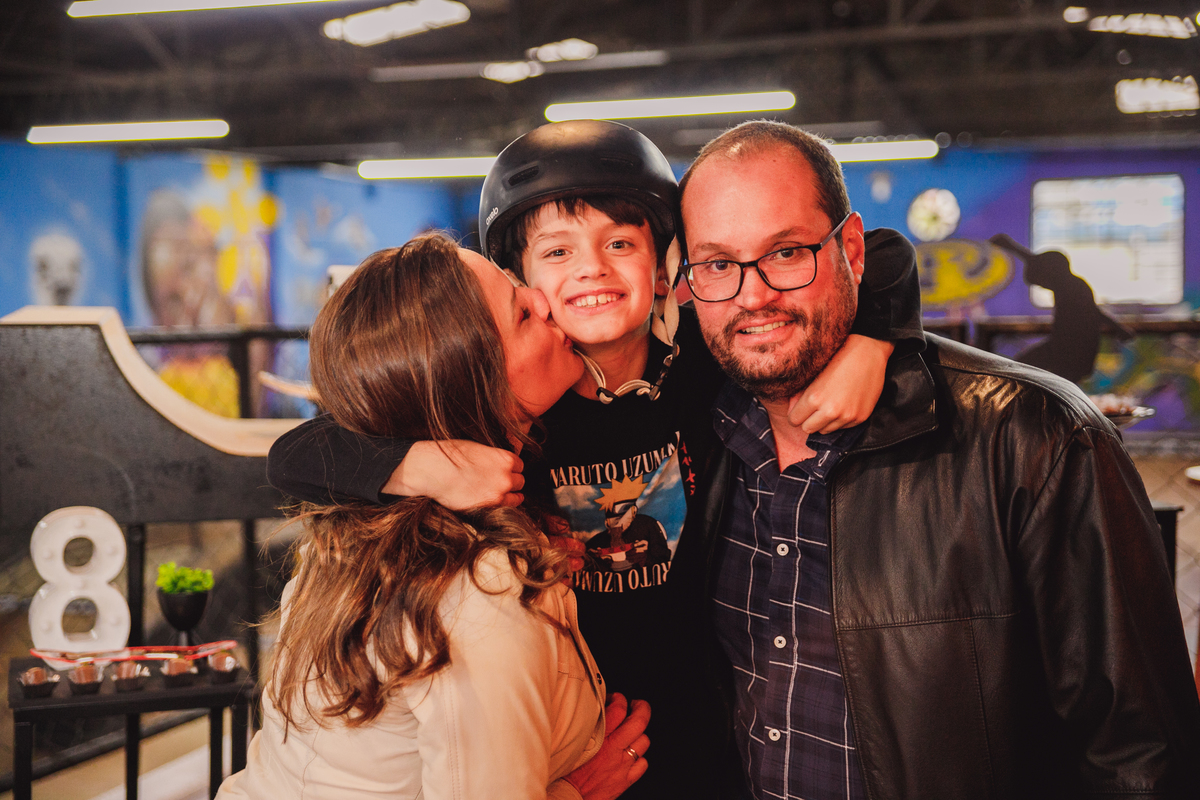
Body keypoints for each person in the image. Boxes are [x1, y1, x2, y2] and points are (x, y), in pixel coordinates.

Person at [267, 120, 924, 799]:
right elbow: (294, 454)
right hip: (558, 731)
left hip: (707, 720)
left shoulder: (703, 368)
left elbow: (883, 250)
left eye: (620, 244)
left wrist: (874, 340)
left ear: (671, 271)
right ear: (520, 282)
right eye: (556, 253)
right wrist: (413, 465)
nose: (592, 269)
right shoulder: (512, 408)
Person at [678, 121, 1200, 798]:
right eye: (719, 263)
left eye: (787, 253)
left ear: (853, 250)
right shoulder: (701, 439)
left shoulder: (1034, 440)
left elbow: (1142, 753)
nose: (752, 294)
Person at [218, 234, 652, 800]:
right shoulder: (481, 590)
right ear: (473, 379)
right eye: (522, 311)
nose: (544, 301)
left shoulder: (367, 527)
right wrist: (578, 792)